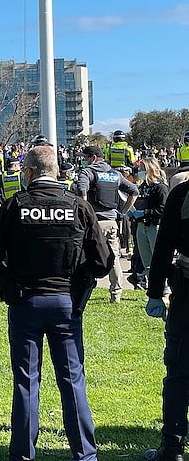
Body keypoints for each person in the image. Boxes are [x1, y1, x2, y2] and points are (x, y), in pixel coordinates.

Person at [0, 146, 112, 461]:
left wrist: (6, 288)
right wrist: (80, 280)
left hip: (25, 302)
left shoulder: (14, 206)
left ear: (28, 173)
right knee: (72, 379)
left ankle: (23, 455)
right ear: (59, 172)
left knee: (26, 381)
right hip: (66, 302)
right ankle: (86, 455)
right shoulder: (78, 206)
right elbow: (102, 261)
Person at [143, 176, 189, 461]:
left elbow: (164, 244)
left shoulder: (183, 194)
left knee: (179, 373)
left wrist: (155, 291)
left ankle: (172, 448)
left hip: (187, 294)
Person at [75, 145, 139, 303]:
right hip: (111, 222)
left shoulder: (88, 172)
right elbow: (134, 191)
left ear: (93, 158)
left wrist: (86, 216)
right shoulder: (115, 174)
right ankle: (116, 294)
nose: (84, 161)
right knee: (114, 256)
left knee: (85, 256)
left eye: (85, 158)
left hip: (94, 223)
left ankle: (84, 290)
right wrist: (122, 212)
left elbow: (82, 193)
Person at [128, 158, 169, 291]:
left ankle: (165, 288)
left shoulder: (160, 187)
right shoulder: (142, 187)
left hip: (154, 226)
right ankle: (153, 289)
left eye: (142, 169)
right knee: (147, 262)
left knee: (158, 260)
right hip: (141, 226)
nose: (139, 172)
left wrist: (145, 212)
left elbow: (163, 209)